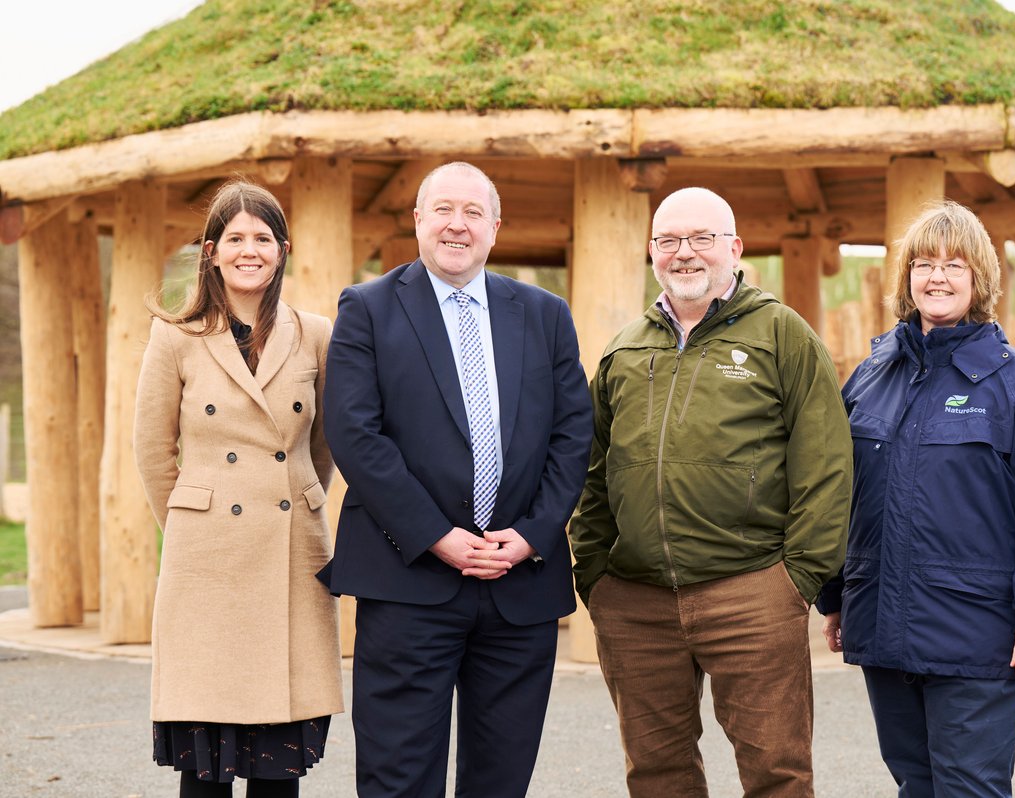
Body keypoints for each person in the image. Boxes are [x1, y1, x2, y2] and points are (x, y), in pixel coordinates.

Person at [316, 161, 593, 797]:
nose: (457, 225)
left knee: (501, 779)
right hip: (408, 577)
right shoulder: (368, 308)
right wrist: (437, 534)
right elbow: (357, 435)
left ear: (495, 228)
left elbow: (574, 433)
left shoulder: (546, 314)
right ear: (418, 221)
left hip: (518, 582)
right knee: (398, 777)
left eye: (473, 213)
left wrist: (531, 534)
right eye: (443, 210)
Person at [569, 187, 853, 797]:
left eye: (701, 238)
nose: (685, 253)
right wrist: (594, 575)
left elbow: (826, 466)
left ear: (734, 248)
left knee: (777, 773)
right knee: (657, 775)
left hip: (752, 593)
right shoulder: (624, 349)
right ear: (652, 252)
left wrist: (795, 580)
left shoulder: (782, 335)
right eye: (669, 241)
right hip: (637, 604)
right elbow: (593, 474)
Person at [817, 201, 1015, 797]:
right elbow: (839, 498)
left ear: (980, 279)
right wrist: (835, 595)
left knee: (969, 788)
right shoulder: (868, 378)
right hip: (885, 631)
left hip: (977, 636)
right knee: (915, 784)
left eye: (954, 264)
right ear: (906, 277)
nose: (936, 277)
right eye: (923, 263)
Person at [134, 181, 343, 798]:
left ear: (282, 250)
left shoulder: (316, 334)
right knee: (206, 770)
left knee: (277, 767)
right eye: (235, 239)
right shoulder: (175, 335)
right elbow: (152, 452)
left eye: (262, 238)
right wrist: (196, 527)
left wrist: (292, 498)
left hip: (290, 556)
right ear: (211, 251)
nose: (248, 250)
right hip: (207, 564)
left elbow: (324, 446)